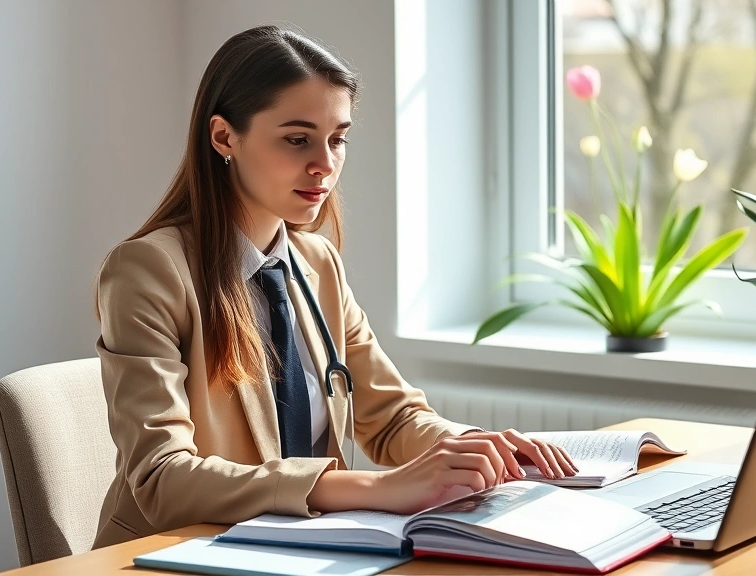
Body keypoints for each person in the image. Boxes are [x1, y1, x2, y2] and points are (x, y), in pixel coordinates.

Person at [91, 24, 577, 549]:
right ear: (224, 136)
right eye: (297, 139)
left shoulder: (316, 263)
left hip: (302, 549)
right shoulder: (149, 270)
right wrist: (377, 486)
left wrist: (474, 447)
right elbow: (162, 478)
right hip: (177, 552)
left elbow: (391, 418)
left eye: (337, 139)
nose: (325, 165)